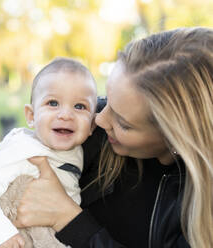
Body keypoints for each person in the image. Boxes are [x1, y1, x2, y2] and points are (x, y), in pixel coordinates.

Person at [14, 27, 213, 248]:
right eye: (107, 99)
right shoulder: (88, 132)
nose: (99, 119)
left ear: (178, 139)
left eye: (123, 123)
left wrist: (70, 221)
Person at [0, 57, 97, 248]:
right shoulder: (24, 150)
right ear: (31, 116)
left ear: (92, 125)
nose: (65, 115)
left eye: (79, 106)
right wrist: (1, 236)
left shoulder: (78, 150)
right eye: (53, 103)